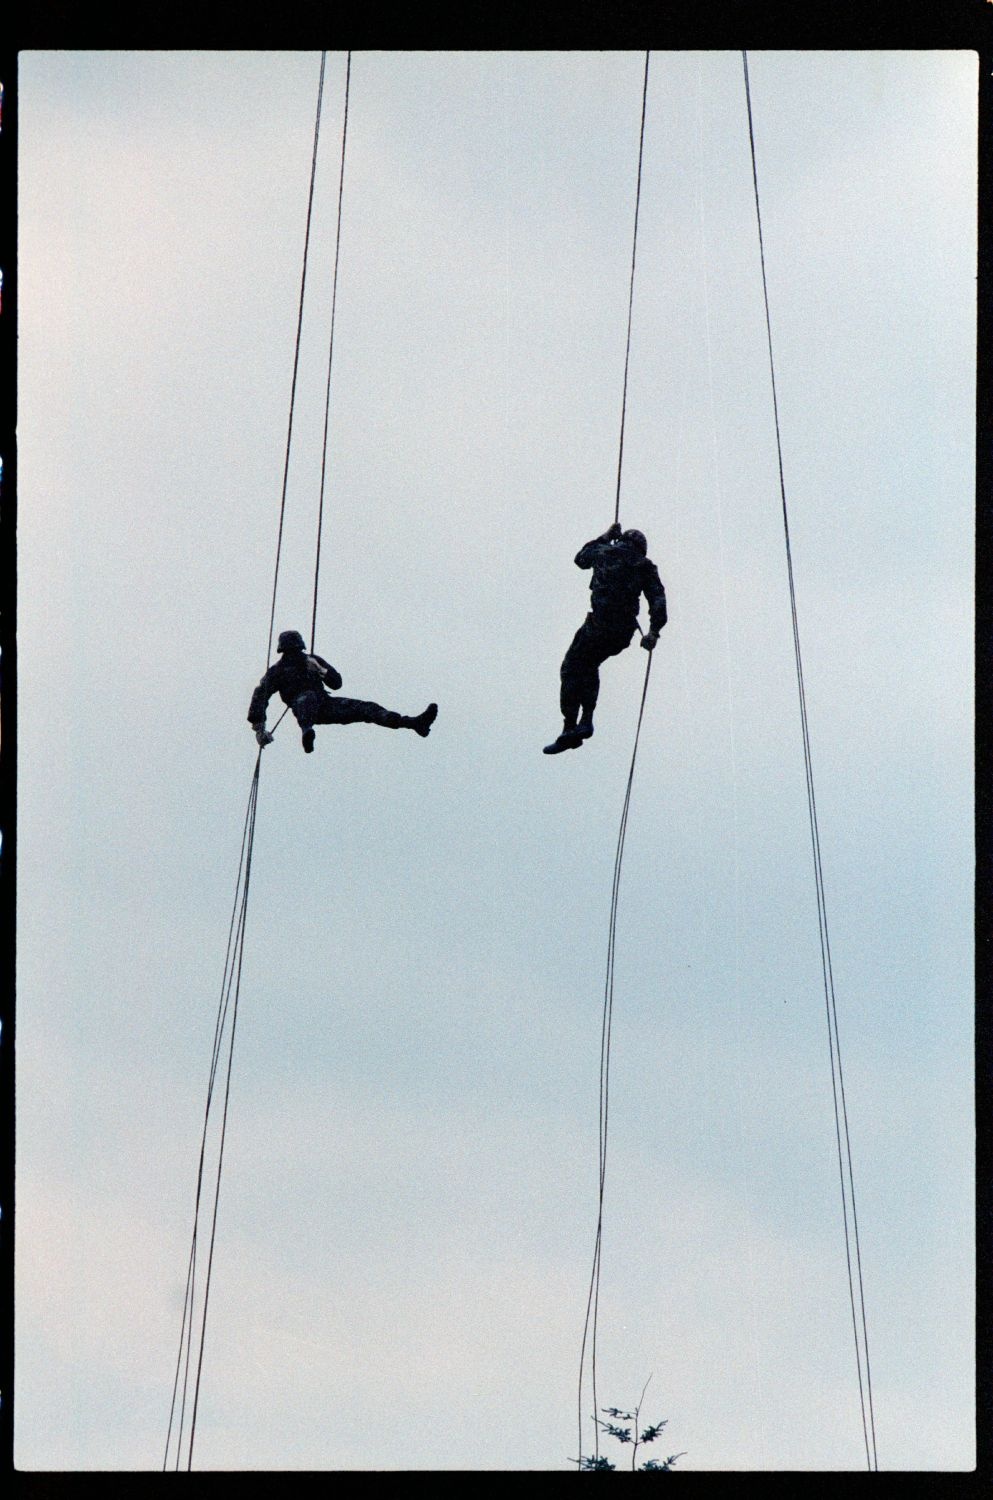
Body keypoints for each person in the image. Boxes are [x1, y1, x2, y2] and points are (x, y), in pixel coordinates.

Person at [544, 522, 666, 754]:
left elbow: (580, 559)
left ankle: (572, 725)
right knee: (589, 664)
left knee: (572, 667)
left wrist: (605, 536)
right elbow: (658, 600)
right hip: (621, 633)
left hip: (599, 624)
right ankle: (583, 722)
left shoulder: (604, 551)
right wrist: (653, 633)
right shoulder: (644, 565)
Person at [248, 630, 438, 754]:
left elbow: (337, 683)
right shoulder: (277, 671)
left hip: (326, 705)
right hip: (305, 708)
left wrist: (322, 671)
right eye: (291, 653)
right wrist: (259, 728)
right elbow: (260, 695)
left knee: (367, 708)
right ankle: (307, 732)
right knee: (307, 698)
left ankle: (413, 723)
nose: (295, 656)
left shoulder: (311, 661)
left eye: (296, 651)